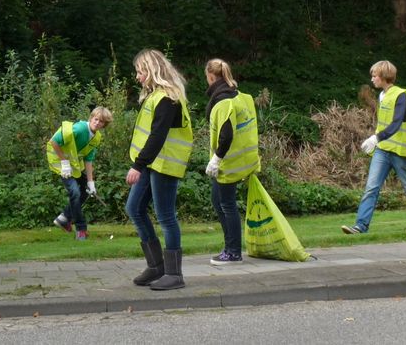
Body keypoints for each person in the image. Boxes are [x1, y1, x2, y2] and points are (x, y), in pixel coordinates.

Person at [126, 49, 193, 291]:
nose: (137, 77)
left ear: (152, 70)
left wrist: (137, 165)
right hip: (153, 163)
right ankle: (156, 266)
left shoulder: (168, 98)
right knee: (133, 208)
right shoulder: (155, 96)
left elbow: (157, 136)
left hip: (164, 164)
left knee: (166, 216)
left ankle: (174, 274)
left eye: (140, 71)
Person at [341, 61, 406, 235]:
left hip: (400, 151)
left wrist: (376, 138)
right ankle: (360, 226)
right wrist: (377, 140)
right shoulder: (382, 96)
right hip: (383, 150)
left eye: (374, 76)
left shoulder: (401, 95)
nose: (372, 79)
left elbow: (396, 123)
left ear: (384, 77)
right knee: (371, 187)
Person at [203, 58, 260, 266]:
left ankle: (234, 252)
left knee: (226, 204)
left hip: (228, 162)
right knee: (218, 201)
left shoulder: (223, 101)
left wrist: (216, 159)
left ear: (210, 77)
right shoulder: (237, 95)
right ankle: (229, 246)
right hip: (239, 159)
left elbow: (226, 135)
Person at [48, 106, 114, 241]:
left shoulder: (96, 137)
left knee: (85, 191)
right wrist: (64, 163)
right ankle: (81, 229)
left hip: (72, 165)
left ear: (104, 125)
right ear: (91, 118)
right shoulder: (79, 129)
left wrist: (91, 183)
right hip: (60, 161)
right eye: (96, 119)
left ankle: (64, 218)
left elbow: (88, 160)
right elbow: (54, 141)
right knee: (75, 193)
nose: (97, 123)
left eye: (101, 122)